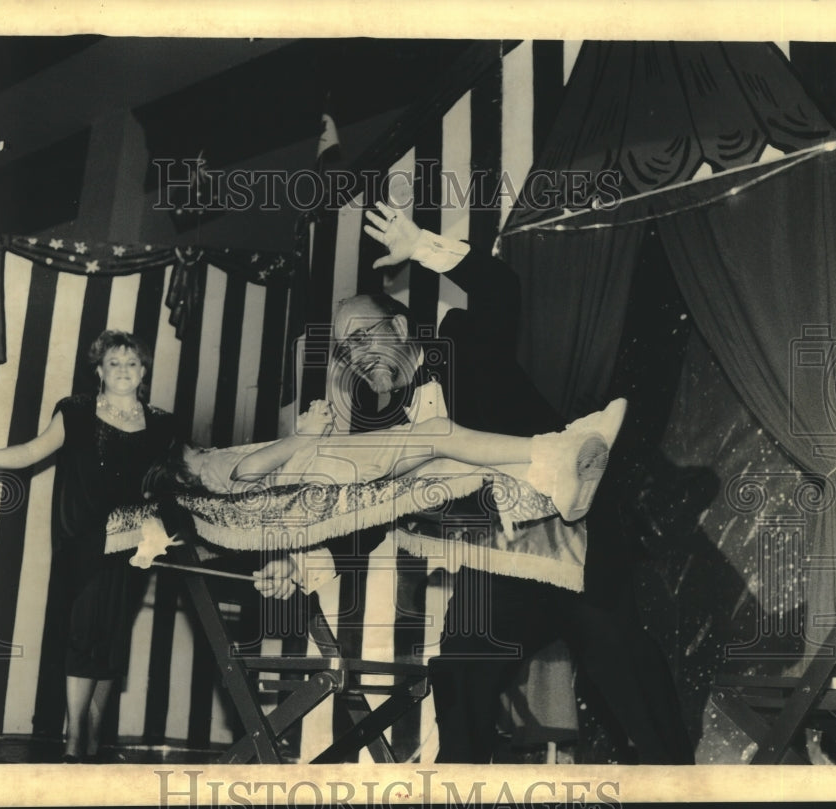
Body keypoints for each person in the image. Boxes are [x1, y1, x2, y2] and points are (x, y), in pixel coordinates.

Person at [255, 203, 695, 763]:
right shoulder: (382, 431)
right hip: (501, 566)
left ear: (398, 327)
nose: (356, 358)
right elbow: (364, 520)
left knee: (629, 681)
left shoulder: (462, 345)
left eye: (363, 337)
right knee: (459, 674)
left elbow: (500, 288)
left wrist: (420, 247)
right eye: (345, 351)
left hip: (574, 541)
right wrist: (299, 563)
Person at [0, 330, 177, 763]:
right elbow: (32, 451)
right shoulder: (74, 412)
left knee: (112, 639)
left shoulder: (164, 423)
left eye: (132, 363)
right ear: (99, 371)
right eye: (113, 363)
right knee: (83, 632)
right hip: (83, 542)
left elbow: (178, 478)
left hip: (135, 545)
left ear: (144, 371)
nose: (123, 370)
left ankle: (91, 736)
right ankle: (75, 734)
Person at [151, 397, 626, 522]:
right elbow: (249, 473)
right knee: (439, 433)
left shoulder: (203, 470)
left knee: (443, 461)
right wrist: (303, 435)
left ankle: (553, 483)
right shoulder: (205, 467)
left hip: (329, 466)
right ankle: (558, 449)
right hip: (330, 464)